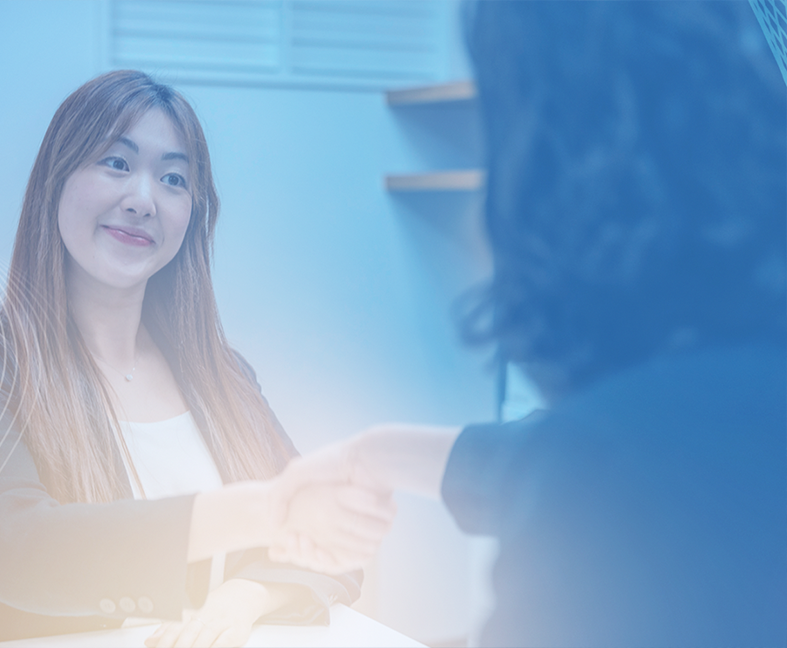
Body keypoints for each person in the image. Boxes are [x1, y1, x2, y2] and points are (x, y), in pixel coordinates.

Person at [274, 2, 787, 645]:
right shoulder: (731, 382)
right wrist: (372, 455)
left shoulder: (622, 461)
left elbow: (607, 463)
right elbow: (578, 454)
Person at [0, 70, 394, 647]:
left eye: (173, 178)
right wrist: (260, 511)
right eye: (117, 163)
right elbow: (11, 549)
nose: (143, 200)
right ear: (55, 180)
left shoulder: (225, 375)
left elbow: (326, 544)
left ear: (193, 212)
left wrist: (247, 596)